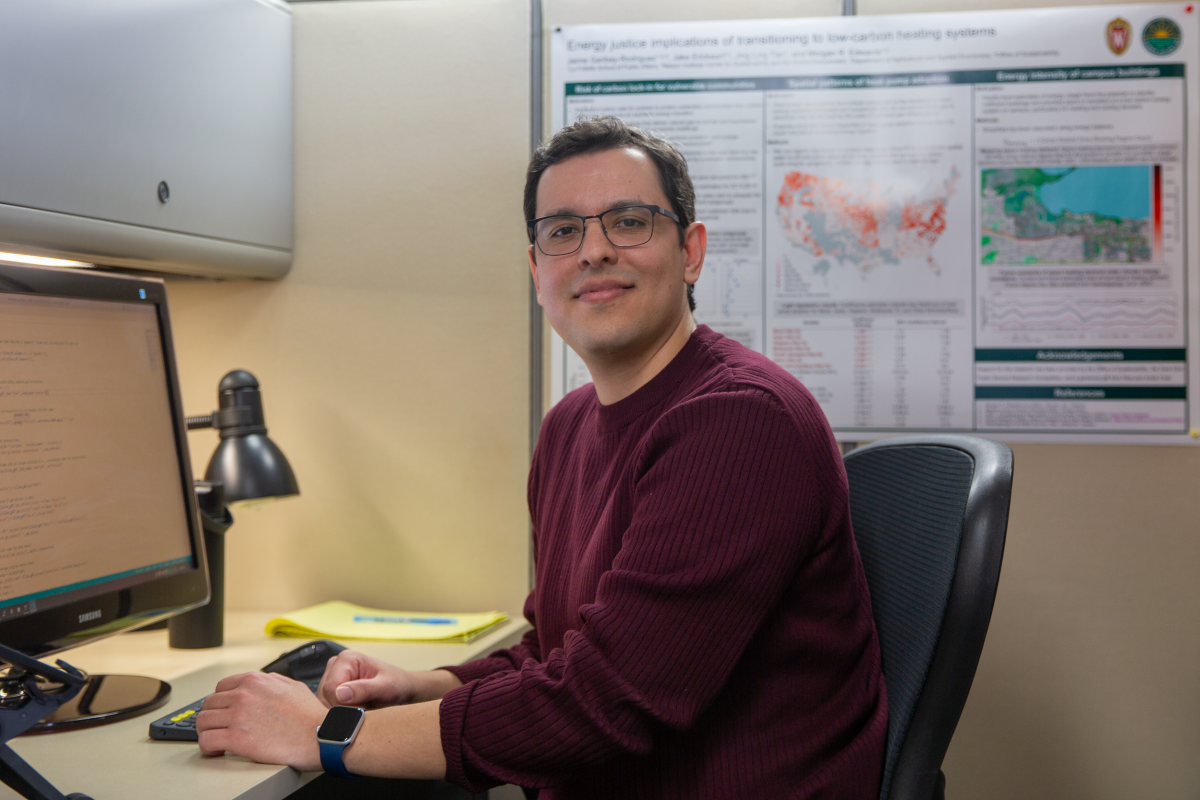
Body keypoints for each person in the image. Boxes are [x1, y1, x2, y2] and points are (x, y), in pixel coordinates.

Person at [196, 116, 887, 799]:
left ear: (692, 251)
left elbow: (608, 701)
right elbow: (559, 652)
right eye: (563, 232)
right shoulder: (569, 427)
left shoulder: (737, 420)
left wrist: (329, 736)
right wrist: (425, 687)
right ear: (537, 270)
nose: (593, 252)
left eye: (629, 221)